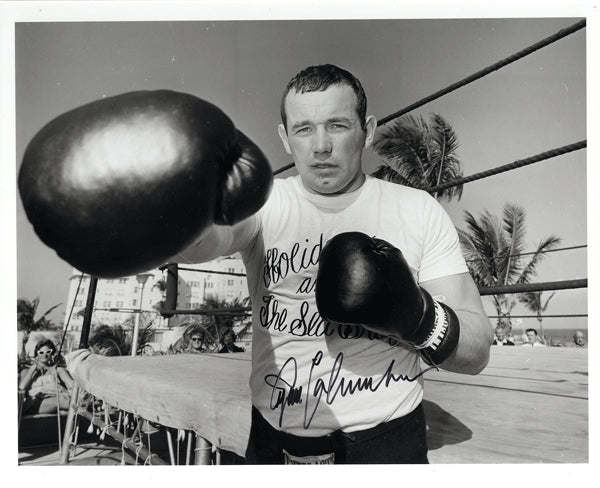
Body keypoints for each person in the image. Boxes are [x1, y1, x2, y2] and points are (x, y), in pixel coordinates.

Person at [173, 64, 493, 464]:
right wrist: (173, 213)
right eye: (304, 129)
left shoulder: (417, 210)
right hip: (273, 440)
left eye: (337, 125)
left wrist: (418, 316)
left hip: (388, 442)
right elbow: (212, 237)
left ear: (368, 130)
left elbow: (477, 351)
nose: (320, 146)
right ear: (285, 139)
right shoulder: (266, 203)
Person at [18, 339, 74, 415]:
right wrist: (33, 369)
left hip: (58, 399)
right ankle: (82, 407)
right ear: (36, 354)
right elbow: (21, 387)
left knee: (65, 411)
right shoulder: (26, 371)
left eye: (48, 352)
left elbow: (73, 386)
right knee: (60, 401)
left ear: (52, 353)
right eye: (41, 352)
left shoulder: (57, 370)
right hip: (36, 403)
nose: (44, 355)